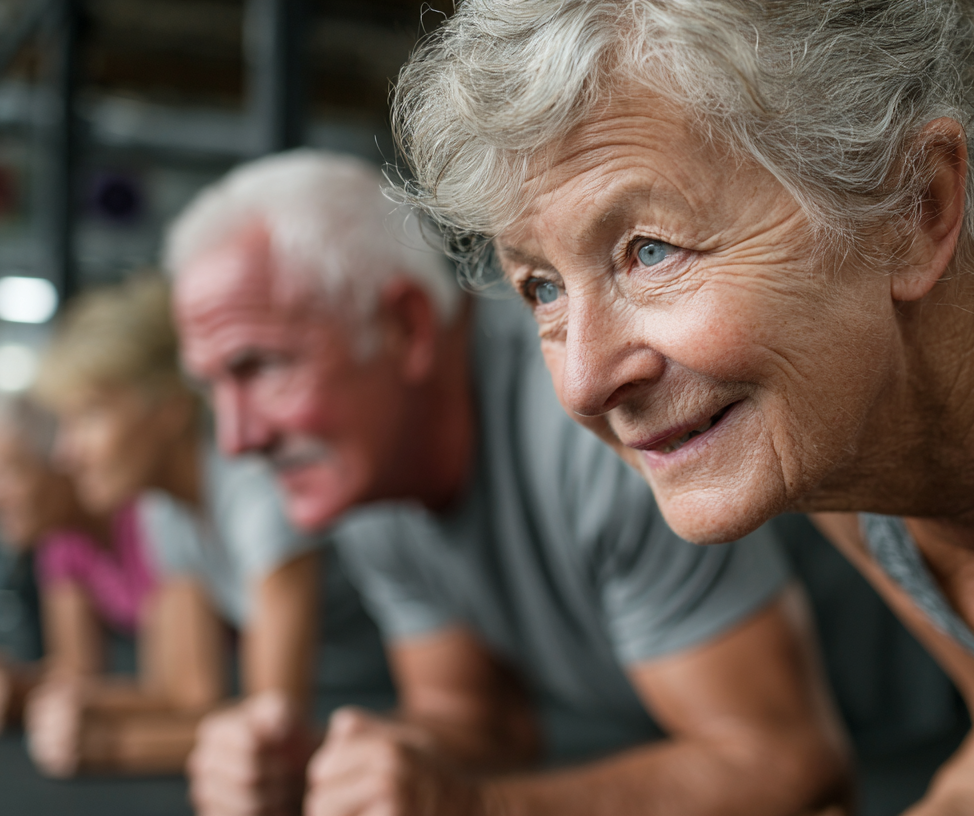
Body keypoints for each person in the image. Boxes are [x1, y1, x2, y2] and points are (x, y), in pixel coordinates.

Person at [390, 1, 974, 814]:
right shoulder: (845, 453)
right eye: (542, 287)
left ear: (915, 205)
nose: (584, 382)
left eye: (652, 250)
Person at [168, 151, 856, 816]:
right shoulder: (367, 473)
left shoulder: (591, 423)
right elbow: (476, 721)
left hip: (913, 746)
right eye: (213, 388)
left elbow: (787, 767)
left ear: (405, 327)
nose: (236, 440)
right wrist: (325, 773)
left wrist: (480, 808)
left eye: (260, 367)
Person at [30, 274, 388, 778]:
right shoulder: (166, 509)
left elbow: (271, 735)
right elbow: (186, 694)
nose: (66, 454)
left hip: (391, 721)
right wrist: (82, 708)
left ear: (172, 409)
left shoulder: (256, 486)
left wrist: (110, 745)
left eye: (89, 417)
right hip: (335, 722)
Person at [0, 394, 155, 744]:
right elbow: (80, 673)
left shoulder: (147, 520)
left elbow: (181, 690)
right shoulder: (61, 542)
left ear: (61, 458)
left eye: (6, 471)